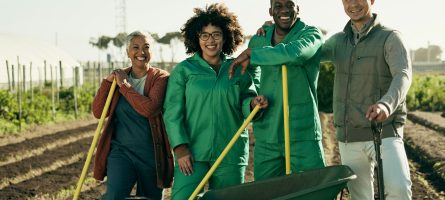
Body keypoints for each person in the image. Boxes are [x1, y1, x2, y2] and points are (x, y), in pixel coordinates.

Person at [162, 3, 268, 200]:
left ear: (226, 37)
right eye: (205, 35)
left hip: (231, 153)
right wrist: (180, 148)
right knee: (183, 197)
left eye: (216, 34)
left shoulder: (237, 68)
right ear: (197, 38)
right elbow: (172, 112)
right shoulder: (185, 71)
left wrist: (253, 104)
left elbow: (247, 101)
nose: (210, 40)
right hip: (193, 154)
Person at [321, 0, 413, 199]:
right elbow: (308, 53)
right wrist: (274, 34)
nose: (353, 4)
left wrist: (385, 104)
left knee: (399, 190)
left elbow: (403, 75)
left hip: (384, 130)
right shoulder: (338, 41)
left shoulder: (390, 37)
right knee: (360, 197)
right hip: (349, 135)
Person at [229, 0, 326, 181]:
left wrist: (254, 53)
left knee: (313, 190)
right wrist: (254, 99)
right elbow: (250, 77)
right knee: (266, 192)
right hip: (267, 135)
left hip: (302, 134)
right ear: (270, 11)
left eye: (290, 5)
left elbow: (294, 53)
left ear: (298, 9)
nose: (284, 10)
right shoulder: (259, 39)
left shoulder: (311, 34)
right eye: (278, 6)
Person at [92, 31, 174, 199]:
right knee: (114, 196)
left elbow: (149, 109)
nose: (141, 52)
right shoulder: (118, 78)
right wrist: (108, 83)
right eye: (135, 47)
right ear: (127, 52)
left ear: (152, 51)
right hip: (121, 152)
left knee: (150, 198)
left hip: (152, 155)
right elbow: (98, 112)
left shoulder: (160, 78)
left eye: (146, 47)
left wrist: (124, 85)